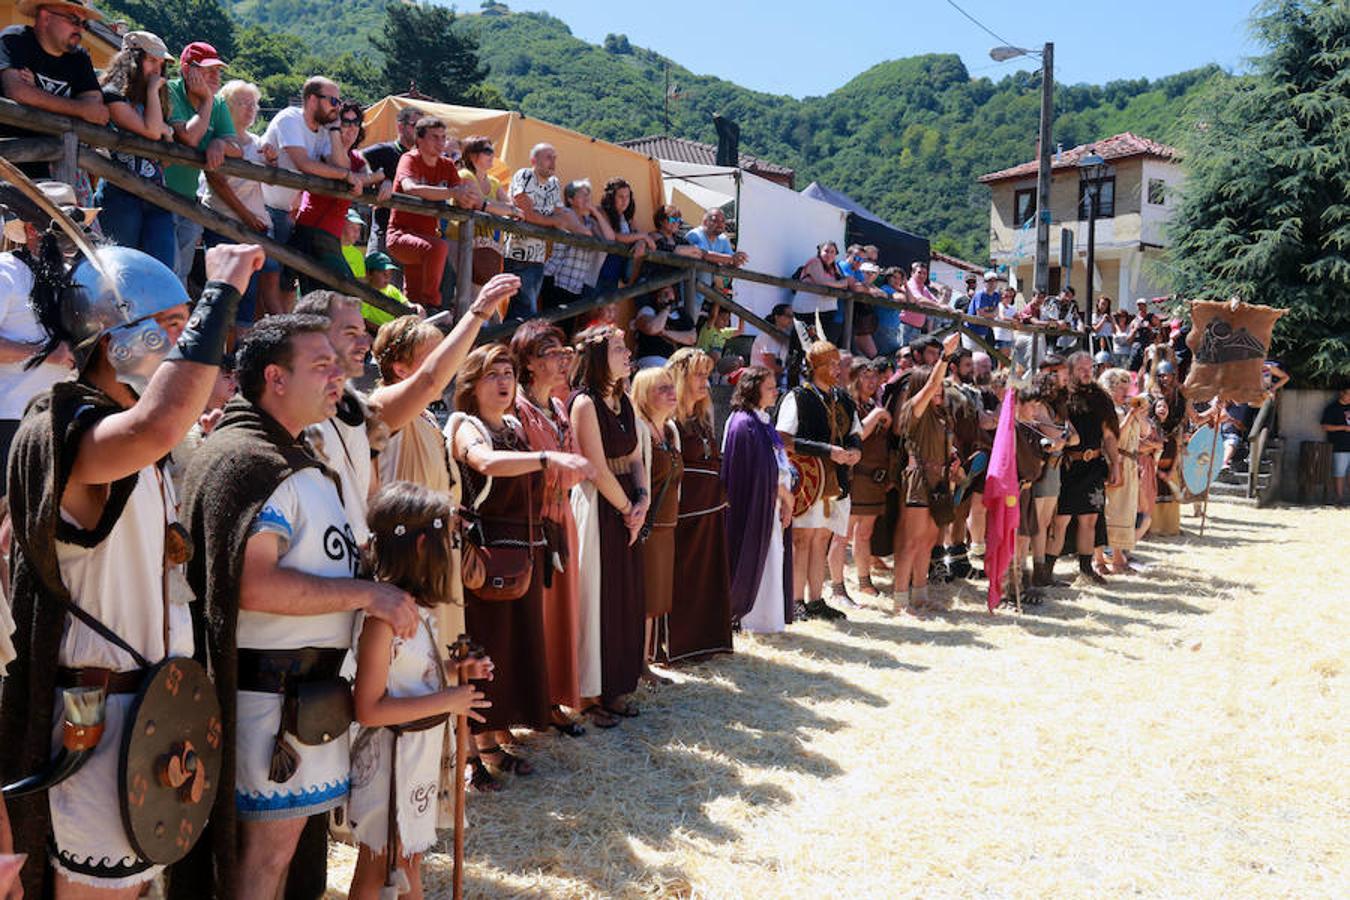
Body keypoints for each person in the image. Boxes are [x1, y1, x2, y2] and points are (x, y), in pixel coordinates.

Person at [3, 242, 258, 899]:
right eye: (171, 328)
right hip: (98, 722)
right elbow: (160, 420)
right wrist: (219, 291)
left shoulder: (136, 449)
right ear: (117, 341)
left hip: (152, 718)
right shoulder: (65, 432)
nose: (185, 346)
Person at [178, 312, 419, 900]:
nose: (339, 378)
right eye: (321, 366)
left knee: (278, 860)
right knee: (263, 861)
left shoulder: (289, 458)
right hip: (271, 704)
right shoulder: (248, 461)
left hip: (302, 702)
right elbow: (253, 586)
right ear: (275, 378)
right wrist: (369, 593)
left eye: (340, 367)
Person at [447, 345, 589, 786]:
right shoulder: (463, 425)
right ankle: (467, 755)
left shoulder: (512, 424)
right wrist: (547, 459)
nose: (504, 382)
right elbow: (483, 462)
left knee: (507, 658)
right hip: (483, 562)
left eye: (508, 373)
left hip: (523, 556)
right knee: (480, 655)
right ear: (471, 383)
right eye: (492, 375)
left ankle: (490, 744)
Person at [346, 482, 494, 900]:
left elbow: (409, 674)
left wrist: (454, 670)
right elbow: (369, 708)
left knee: (409, 858)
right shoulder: (382, 622)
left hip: (416, 758)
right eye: (451, 540)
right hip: (390, 763)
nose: (453, 551)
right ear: (423, 545)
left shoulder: (412, 609)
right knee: (381, 860)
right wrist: (449, 700)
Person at [510, 321, 599, 730]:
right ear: (528, 361)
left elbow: (577, 465)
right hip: (535, 522)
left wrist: (564, 471)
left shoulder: (560, 406)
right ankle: (533, 702)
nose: (563, 362)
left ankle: (553, 698)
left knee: (563, 613)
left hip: (563, 518)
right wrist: (562, 470)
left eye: (565, 353)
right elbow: (541, 470)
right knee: (540, 616)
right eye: (551, 353)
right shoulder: (517, 408)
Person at [568, 325, 648, 721]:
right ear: (599, 357)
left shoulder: (625, 401)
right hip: (598, 506)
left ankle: (616, 686)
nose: (627, 353)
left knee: (622, 596)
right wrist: (626, 509)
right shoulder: (584, 404)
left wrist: (643, 501)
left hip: (626, 505)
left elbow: (635, 458)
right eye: (618, 348)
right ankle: (589, 692)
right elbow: (596, 469)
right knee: (596, 596)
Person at [776, 341, 861, 621]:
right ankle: (795, 600)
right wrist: (827, 451)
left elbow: (854, 431)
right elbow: (784, 438)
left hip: (836, 480)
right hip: (809, 480)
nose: (838, 369)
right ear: (817, 367)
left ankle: (815, 600)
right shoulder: (798, 397)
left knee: (822, 538)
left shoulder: (844, 398)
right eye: (832, 365)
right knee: (803, 539)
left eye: (839, 364)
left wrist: (854, 450)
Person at [260, 76, 368, 285]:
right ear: (311, 100)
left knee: (280, 282)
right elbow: (304, 164)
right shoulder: (290, 117)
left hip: (284, 212)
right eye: (333, 101)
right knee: (267, 276)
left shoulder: (324, 131)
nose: (337, 107)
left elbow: (340, 165)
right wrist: (347, 176)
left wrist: (335, 129)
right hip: (260, 205)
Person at [665, 348, 733, 660]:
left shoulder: (703, 419)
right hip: (683, 516)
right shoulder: (668, 422)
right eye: (699, 374)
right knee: (683, 577)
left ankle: (706, 642)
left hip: (710, 512)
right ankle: (680, 645)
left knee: (708, 577)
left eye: (707, 374)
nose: (706, 381)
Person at [887, 332, 962, 614]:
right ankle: (900, 599)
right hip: (919, 481)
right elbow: (931, 385)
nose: (940, 390)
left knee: (928, 541)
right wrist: (946, 355)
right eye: (937, 387)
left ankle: (920, 594)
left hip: (939, 481)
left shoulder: (941, 415)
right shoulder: (914, 409)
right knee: (910, 541)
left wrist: (953, 459)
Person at [200, 79, 284, 323]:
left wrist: (272, 162)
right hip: (224, 223)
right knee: (226, 291)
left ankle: (241, 349)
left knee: (251, 293)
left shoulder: (258, 143)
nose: (251, 109)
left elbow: (270, 182)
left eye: (254, 103)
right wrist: (247, 218)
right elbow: (217, 184)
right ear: (226, 106)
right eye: (243, 103)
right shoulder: (215, 140)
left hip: (256, 226)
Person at [94, 31, 176, 268]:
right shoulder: (111, 95)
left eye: (161, 64)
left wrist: (165, 131)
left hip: (157, 194)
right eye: (152, 60)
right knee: (122, 269)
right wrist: (153, 94)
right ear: (132, 59)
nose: (157, 70)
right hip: (121, 194)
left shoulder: (153, 103)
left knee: (161, 269)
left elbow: (166, 156)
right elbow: (153, 132)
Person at [722, 366, 794, 633]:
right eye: (770, 387)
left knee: (773, 558)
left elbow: (777, 461)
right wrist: (784, 494)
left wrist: (786, 498)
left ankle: (768, 620)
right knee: (756, 557)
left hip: (773, 504)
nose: (776, 391)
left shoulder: (762, 420)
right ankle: (749, 617)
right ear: (753, 389)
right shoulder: (743, 423)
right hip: (755, 506)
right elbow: (757, 470)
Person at [293, 100, 392, 293]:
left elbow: (366, 178)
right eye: (345, 122)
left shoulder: (357, 157)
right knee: (343, 291)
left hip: (329, 235)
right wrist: (374, 176)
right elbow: (342, 169)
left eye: (356, 123)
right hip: (312, 229)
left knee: (325, 294)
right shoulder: (324, 147)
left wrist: (383, 179)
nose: (352, 128)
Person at [0, 0, 106, 178]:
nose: (80, 29)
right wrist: (80, 109)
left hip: (52, 166)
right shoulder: (15, 39)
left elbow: (98, 113)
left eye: (84, 23)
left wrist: (37, 95)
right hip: (6, 161)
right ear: (45, 17)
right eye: (73, 20)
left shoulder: (79, 58)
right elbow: (17, 91)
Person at [386, 116, 484, 308]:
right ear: (419, 139)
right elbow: (410, 188)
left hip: (426, 240)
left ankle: (415, 325)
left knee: (413, 300)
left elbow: (463, 198)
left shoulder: (447, 165)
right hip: (400, 235)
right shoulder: (409, 159)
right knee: (438, 247)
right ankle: (433, 308)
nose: (441, 142)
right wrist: (453, 192)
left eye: (443, 137)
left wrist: (467, 196)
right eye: (435, 137)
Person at [166, 42, 242, 286]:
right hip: (158, 196)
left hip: (189, 200)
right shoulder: (170, 91)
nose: (215, 76)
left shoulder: (219, 104)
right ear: (187, 70)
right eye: (208, 70)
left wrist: (219, 143)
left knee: (182, 273)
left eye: (218, 71)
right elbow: (189, 137)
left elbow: (236, 148)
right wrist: (208, 101)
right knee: (167, 268)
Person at [1048, 350, 1121, 585]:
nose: (1087, 373)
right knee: (1061, 519)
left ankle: (1085, 570)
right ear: (1070, 371)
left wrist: (1115, 464)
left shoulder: (1101, 397)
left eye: (1090, 368)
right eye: (1081, 369)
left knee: (1089, 519)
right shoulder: (1061, 397)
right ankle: (1046, 571)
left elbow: (1109, 436)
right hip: (1067, 466)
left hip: (1093, 466)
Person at [631, 367, 683, 682]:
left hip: (667, 527)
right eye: (661, 388)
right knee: (644, 598)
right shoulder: (640, 430)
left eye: (670, 386)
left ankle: (646, 661)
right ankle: (638, 664)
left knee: (655, 601)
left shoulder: (670, 430)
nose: (670, 392)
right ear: (644, 394)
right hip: (647, 528)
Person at [505, 143, 571, 319]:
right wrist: (551, 221)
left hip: (539, 256)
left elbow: (561, 216)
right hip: (517, 254)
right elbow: (525, 213)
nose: (553, 161)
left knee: (524, 309)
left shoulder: (554, 183)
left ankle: (506, 343)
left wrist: (547, 220)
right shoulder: (525, 175)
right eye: (548, 157)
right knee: (525, 309)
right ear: (534, 160)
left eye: (554, 157)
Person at [845, 358, 893, 597]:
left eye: (875, 376)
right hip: (855, 478)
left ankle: (864, 581)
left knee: (864, 534)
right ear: (854, 378)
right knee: (842, 535)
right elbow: (857, 434)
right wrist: (879, 415)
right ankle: (836, 586)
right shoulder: (849, 405)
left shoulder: (873, 404)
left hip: (874, 480)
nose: (872, 381)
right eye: (865, 376)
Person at [540, 178, 615, 316]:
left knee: (566, 329)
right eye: (582, 194)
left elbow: (610, 239)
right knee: (551, 325)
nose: (587, 198)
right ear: (570, 199)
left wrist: (596, 213)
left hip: (575, 284)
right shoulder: (565, 213)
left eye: (588, 194)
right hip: (557, 279)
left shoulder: (589, 221)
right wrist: (594, 232)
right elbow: (584, 233)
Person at [1100, 368, 1146, 573]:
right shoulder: (1111, 410)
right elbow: (1115, 436)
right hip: (1116, 460)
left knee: (1125, 511)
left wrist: (1139, 413)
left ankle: (1119, 557)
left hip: (1130, 462)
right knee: (1113, 510)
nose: (1125, 393)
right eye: (1121, 389)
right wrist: (1131, 415)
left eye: (1127, 389)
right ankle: (1107, 557)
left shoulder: (1126, 410)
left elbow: (1146, 432)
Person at [362, 104, 421, 255]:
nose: (420, 132)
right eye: (415, 126)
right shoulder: (384, 151)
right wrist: (379, 179)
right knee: (379, 275)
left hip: (414, 234)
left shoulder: (422, 159)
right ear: (400, 127)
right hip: (384, 230)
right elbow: (353, 162)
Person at [458, 134, 511, 291]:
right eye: (487, 151)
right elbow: (479, 203)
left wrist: (504, 208)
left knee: (481, 296)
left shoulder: (494, 182)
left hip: (486, 251)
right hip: (459, 243)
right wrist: (507, 209)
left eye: (492, 151)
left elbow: (511, 207)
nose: (492, 155)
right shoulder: (464, 175)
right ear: (472, 155)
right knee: (464, 296)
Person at [682, 207, 747, 316]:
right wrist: (731, 258)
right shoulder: (695, 235)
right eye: (715, 220)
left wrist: (737, 260)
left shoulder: (722, 239)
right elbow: (703, 254)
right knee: (687, 328)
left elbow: (730, 261)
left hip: (708, 297)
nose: (720, 224)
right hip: (688, 295)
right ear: (705, 222)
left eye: (722, 221)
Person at [596, 177, 656, 294]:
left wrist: (641, 241)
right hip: (598, 272)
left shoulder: (627, 217)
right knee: (590, 309)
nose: (625, 201)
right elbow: (616, 236)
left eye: (627, 197)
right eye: (620, 197)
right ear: (611, 197)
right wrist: (643, 237)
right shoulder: (602, 212)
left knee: (607, 309)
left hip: (614, 273)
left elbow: (638, 234)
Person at [791, 241, 856, 346]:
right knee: (805, 345)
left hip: (826, 312)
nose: (829, 254)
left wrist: (839, 283)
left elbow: (844, 285)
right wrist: (841, 283)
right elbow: (822, 282)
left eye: (832, 252)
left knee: (821, 346)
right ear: (820, 252)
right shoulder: (814, 262)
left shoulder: (834, 267)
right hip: (807, 311)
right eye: (826, 251)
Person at [634, 283, 697, 368]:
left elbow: (691, 338)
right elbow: (652, 328)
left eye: (670, 291)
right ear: (658, 297)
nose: (668, 295)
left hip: (677, 366)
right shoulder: (649, 310)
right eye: (664, 292)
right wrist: (666, 309)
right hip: (652, 361)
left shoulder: (682, 314)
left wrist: (666, 333)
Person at [360, 251, 419, 326]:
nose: (387, 277)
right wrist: (386, 333)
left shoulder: (391, 289)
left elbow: (407, 304)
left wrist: (417, 307)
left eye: (390, 273)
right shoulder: (363, 294)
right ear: (369, 273)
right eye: (383, 273)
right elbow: (365, 321)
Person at [752, 302, 793, 387]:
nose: (791, 319)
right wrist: (787, 371)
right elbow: (770, 364)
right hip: (761, 381)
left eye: (793, 316)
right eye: (788, 316)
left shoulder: (784, 335)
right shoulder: (767, 335)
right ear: (777, 317)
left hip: (774, 380)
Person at [1322, 384, 1350, 504]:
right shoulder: (1332, 408)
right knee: (1339, 472)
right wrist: (1343, 427)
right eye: (1349, 394)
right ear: (1342, 394)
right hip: (1339, 445)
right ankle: (1339, 497)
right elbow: (1325, 426)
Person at [965, 271, 1001, 348]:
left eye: (994, 281)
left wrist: (990, 314)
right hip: (971, 330)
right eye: (989, 281)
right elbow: (980, 314)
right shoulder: (980, 294)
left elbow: (997, 312)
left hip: (983, 330)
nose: (992, 283)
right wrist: (992, 314)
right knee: (971, 355)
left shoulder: (996, 295)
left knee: (979, 355)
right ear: (984, 283)